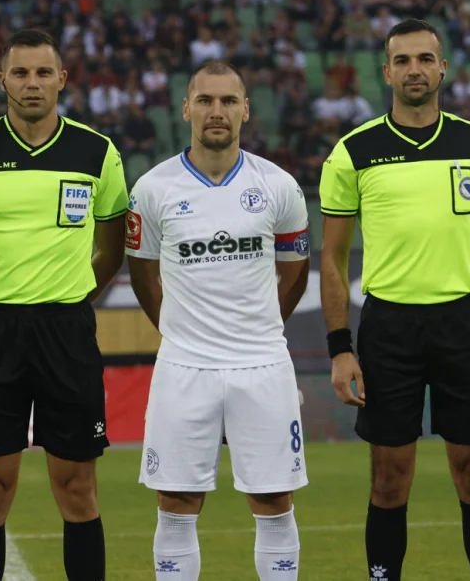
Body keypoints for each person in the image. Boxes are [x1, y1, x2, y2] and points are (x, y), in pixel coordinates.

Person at [319, 18, 470, 581]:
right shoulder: (354, 151)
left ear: (443, 67)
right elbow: (333, 258)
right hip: (388, 327)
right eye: (403, 60)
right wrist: (340, 348)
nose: (414, 69)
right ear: (387, 70)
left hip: (462, 324)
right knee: (390, 476)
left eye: (425, 59)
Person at [0, 28, 128, 581]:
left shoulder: (97, 152)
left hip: (66, 331)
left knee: (77, 489)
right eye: (20, 73)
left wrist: (66, 295)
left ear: (62, 79)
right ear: (1, 80)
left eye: (44, 72)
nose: (32, 83)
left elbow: (111, 252)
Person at [126, 60, 311, 581]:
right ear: (186, 108)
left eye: (228, 101)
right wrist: (181, 333)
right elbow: (142, 275)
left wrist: (259, 329)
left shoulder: (279, 186)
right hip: (184, 365)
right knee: (177, 499)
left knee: (273, 497)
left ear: (246, 110)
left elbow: (295, 272)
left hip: (263, 363)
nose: (216, 111)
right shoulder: (152, 189)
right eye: (205, 100)